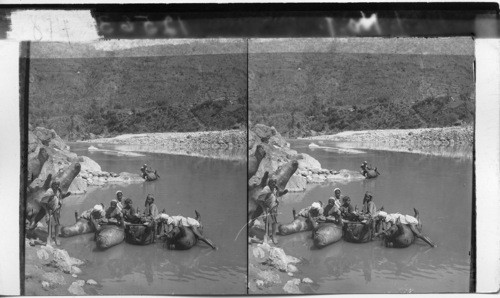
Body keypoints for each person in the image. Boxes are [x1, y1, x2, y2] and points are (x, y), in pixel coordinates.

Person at [257, 177, 288, 244]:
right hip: (267, 208)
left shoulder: (274, 188)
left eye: (274, 182)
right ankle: (266, 236)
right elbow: (259, 200)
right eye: (272, 182)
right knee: (267, 222)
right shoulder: (266, 189)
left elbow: (277, 195)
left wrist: (283, 193)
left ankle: (274, 236)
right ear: (269, 183)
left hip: (274, 208)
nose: (273, 184)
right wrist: (264, 208)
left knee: (274, 222)